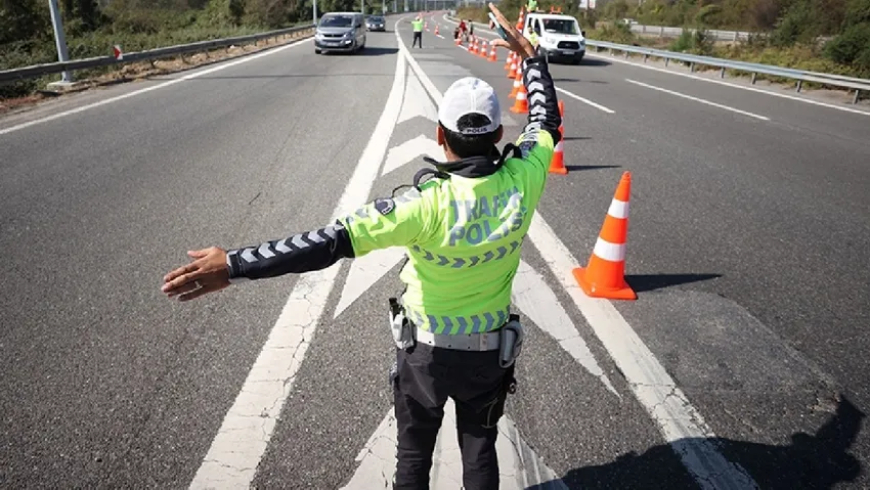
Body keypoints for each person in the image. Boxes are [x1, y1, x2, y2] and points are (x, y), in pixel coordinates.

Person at [160, 3, 561, 489]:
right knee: (479, 451)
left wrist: (236, 264)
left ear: (439, 136)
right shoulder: (525, 178)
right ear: (499, 135)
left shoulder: (420, 206)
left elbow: (325, 243)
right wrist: (532, 59)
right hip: (488, 354)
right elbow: (546, 120)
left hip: (426, 357)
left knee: (414, 456)